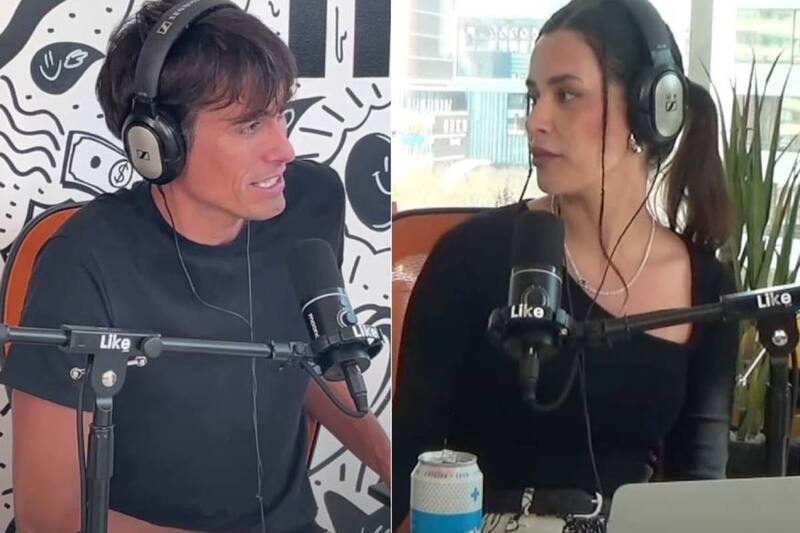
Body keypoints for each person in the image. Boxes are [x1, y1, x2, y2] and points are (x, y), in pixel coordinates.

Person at [2, 1, 390, 532]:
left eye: (281, 113)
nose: (284, 148)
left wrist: (399, 471)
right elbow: (50, 517)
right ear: (157, 143)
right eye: (250, 125)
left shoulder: (309, 203)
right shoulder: (83, 261)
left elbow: (310, 361)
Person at [393, 0, 737, 531]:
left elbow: (701, 490)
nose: (535, 120)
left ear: (650, 110)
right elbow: (408, 466)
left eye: (566, 95)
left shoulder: (707, 288)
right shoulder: (469, 257)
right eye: (533, 97)